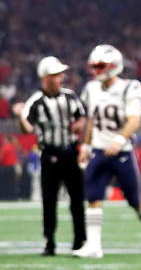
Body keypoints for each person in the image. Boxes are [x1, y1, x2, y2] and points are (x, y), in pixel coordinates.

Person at [74, 45, 141, 259]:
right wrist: (85, 146)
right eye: (94, 66)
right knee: (93, 196)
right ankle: (94, 246)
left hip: (121, 152)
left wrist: (119, 139)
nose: (96, 70)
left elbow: (135, 120)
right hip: (98, 150)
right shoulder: (92, 89)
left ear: (114, 66)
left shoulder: (129, 88)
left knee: (135, 201)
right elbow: (91, 121)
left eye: (100, 66)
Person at [14, 56, 87, 255]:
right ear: (45, 77)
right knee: (49, 200)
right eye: (56, 75)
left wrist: (79, 124)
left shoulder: (70, 96)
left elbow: (81, 116)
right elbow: (27, 129)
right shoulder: (36, 101)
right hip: (49, 154)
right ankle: (50, 242)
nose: (61, 77)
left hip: (71, 151)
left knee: (77, 199)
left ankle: (80, 241)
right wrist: (20, 116)